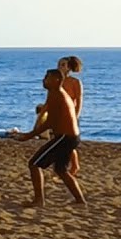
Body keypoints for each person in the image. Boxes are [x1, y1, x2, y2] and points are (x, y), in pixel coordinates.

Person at [15, 69, 86, 206]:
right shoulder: (54, 93)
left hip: (65, 137)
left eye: (47, 78)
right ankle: (80, 200)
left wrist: (28, 135)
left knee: (34, 164)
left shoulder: (57, 94)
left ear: (57, 80)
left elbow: (50, 122)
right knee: (61, 170)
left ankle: (39, 200)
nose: (43, 80)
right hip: (69, 137)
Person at [57, 56, 85, 175]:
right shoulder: (56, 81)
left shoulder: (75, 82)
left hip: (71, 115)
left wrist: (76, 116)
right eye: (59, 64)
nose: (60, 67)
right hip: (58, 115)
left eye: (63, 65)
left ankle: (74, 165)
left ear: (69, 67)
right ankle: (66, 165)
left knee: (69, 142)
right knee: (58, 141)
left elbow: (79, 100)